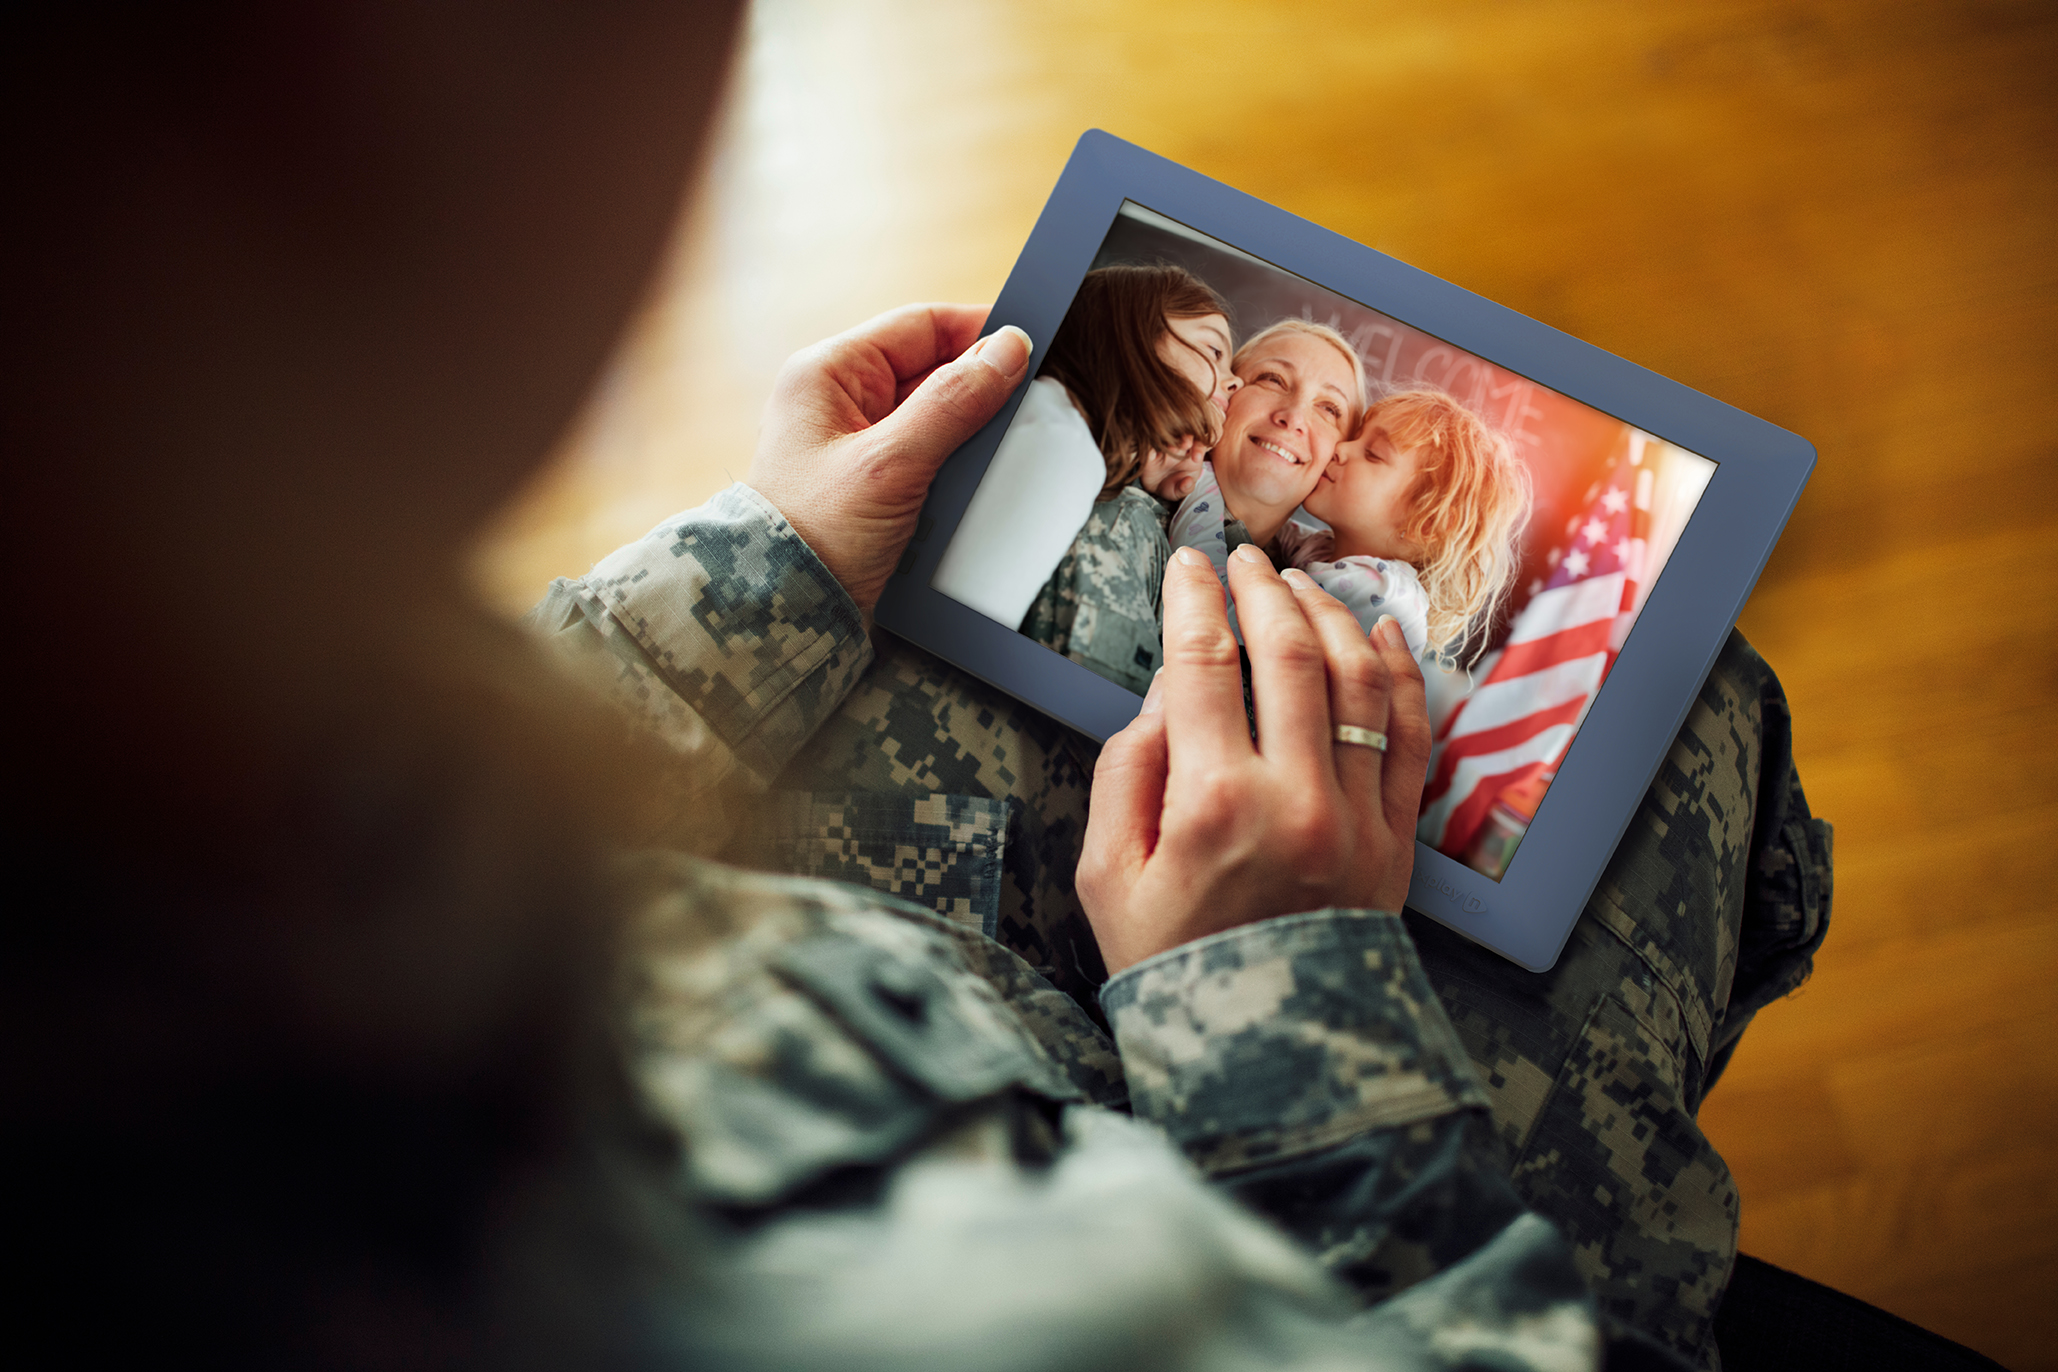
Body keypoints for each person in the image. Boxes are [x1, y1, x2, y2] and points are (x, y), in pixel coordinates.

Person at [6, 5, 1834, 1372]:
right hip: (1188, 1116)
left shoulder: (199, 728)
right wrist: (1276, 990)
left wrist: (747, 570)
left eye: (1312, 415)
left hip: (824, 961)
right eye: (1239, 387)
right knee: (1699, 721)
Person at [930, 264, 1231, 638]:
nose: (1235, 381)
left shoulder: (1057, 424)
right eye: (1215, 349)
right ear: (1130, 332)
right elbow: (952, 638)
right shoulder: (1061, 440)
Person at [1283, 387, 1534, 664]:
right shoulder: (1323, 548)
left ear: (1426, 524)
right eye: (1355, 437)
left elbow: (1246, 622)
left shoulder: (1385, 593)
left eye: (1373, 454)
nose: (1340, 448)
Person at [1168, 319, 1367, 628]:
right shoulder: (1124, 521)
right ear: (1226, 393)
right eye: (1273, 379)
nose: (1294, 417)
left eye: (1329, 408)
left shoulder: (1329, 584)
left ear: (1337, 456)